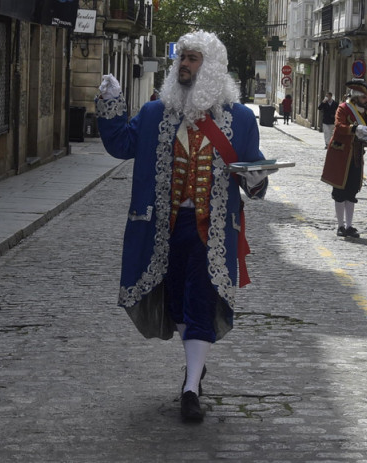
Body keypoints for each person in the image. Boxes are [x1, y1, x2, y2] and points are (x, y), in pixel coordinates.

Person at [96, 30, 273, 422]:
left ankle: (191, 387)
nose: (185, 65)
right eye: (183, 58)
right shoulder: (157, 112)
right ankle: (195, 362)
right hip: (164, 227)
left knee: (201, 300)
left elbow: (252, 170)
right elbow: (122, 146)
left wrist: (257, 181)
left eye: (193, 59)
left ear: (210, 68)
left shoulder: (241, 119)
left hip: (211, 231)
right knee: (175, 299)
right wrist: (111, 106)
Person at [320, 80, 367, 238]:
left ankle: (350, 226)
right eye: (364, 97)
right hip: (341, 155)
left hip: (356, 155)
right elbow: (339, 127)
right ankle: (340, 226)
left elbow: (365, 131)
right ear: (357, 97)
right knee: (339, 190)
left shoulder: (366, 113)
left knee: (352, 191)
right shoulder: (343, 108)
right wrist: (355, 128)